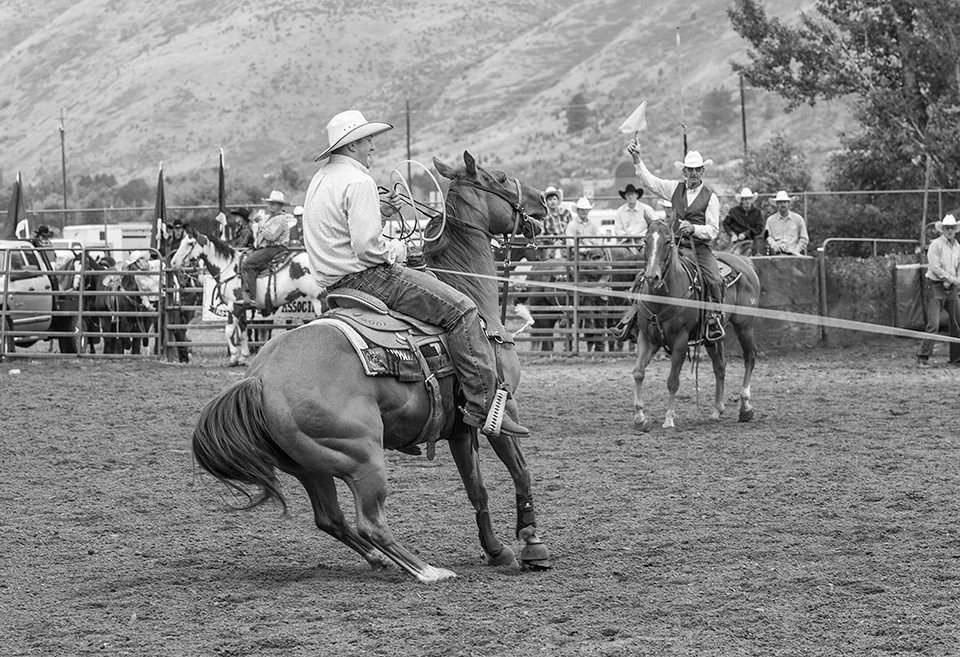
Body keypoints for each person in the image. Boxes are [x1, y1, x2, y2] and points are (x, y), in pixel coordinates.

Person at [302, 109, 528, 439]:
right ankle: (482, 406)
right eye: (368, 141)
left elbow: (339, 226)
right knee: (462, 309)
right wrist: (401, 250)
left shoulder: (321, 180)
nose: (372, 148)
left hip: (335, 285)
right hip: (371, 278)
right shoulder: (359, 181)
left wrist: (379, 211)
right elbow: (367, 248)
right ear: (351, 146)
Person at [626, 140, 725, 341]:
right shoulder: (673, 189)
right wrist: (637, 158)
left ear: (703, 171)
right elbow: (650, 181)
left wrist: (695, 228)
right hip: (675, 245)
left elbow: (713, 230)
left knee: (715, 278)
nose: (693, 173)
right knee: (646, 274)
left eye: (697, 169)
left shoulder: (710, 198)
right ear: (684, 172)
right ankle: (635, 315)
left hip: (699, 248)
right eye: (690, 170)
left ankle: (714, 317)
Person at [917, 213, 960, 367]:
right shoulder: (936, 245)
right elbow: (935, 268)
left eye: (952, 228)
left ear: (955, 229)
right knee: (933, 324)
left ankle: (956, 358)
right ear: (943, 230)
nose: (950, 230)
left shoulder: (957, 247)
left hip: (951, 288)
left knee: (958, 321)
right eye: (947, 228)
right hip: (935, 286)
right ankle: (923, 356)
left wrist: (956, 280)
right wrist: (951, 279)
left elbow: (958, 267)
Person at [238, 191, 291, 306]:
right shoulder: (270, 218)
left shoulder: (280, 219)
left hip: (275, 248)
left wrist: (260, 222)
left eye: (274, 203)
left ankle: (250, 296)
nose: (270, 205)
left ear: (280, 206)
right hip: (267, 248)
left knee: (248, 264)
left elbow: (271, 236)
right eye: (270, 203)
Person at [765, 191, 809, 255]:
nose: (783, 204)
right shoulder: (770, 220)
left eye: (785, 202)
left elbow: (804, 239)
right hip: (776, 254)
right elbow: (768, 237)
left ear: (788, 203)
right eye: (780, 202)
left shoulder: (798, 219)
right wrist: (775, 246)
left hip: (794, 254)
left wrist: (796, 249)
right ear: (777, 204)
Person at [723, 187, 765, 254]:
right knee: (735, 254)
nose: (747, 201)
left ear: (752, 200)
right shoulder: (734, 211)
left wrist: (746, 234)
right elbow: (725, 223)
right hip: (738, 241)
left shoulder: (757, 212)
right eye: (745, 199)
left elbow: (759, 228)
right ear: (741, 200)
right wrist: (732, 234)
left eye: (749, 199)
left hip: (753, 241)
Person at [542, 186, 573, 259]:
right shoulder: (544, 216)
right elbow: (542, 234)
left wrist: (565, 239)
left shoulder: (566, 213)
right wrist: (551, 239)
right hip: (550, 246)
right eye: (550, 199)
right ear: (546, 202)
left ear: (558, 201)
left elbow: (571, 229)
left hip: (566, 244)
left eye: (554, 199)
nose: (552, 202)